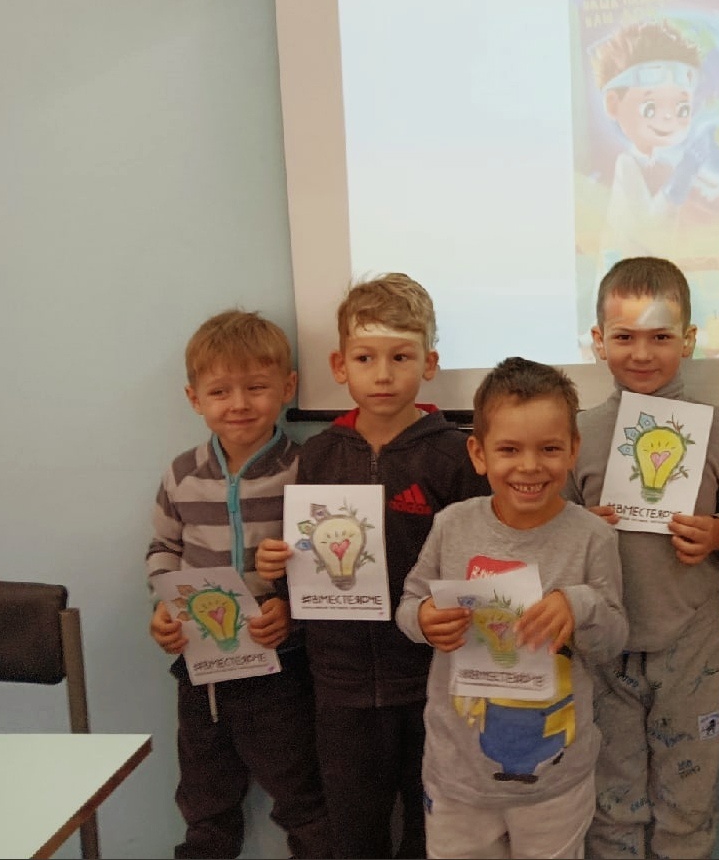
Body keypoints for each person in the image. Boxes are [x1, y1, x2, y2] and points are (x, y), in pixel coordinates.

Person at [255, 273, 489, 859]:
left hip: (432, 681)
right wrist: (277, 569)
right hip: (339, 682)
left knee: (433, 830)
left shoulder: (454, 455)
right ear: (340, 366)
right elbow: (305, 561)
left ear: (429, 363)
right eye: (365, 358)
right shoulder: (319, 455)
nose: (383, 374)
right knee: (355, 830)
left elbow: (477, 560)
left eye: (400, 357)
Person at [399, 358, 628, 859]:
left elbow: (613, 639)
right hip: (458, 776)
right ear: (478, 454)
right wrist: (424, 620)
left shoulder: (592, 536)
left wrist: (578, 605)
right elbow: (410, 604)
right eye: (509, 449)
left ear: (573, 450)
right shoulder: (451, 525)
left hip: (556, 782)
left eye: (549, 448)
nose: (529, 466)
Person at [566, 257, 719, 859]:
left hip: (691, 640)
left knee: (687, 803)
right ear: (599, 341)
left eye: (661, 337)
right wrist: (579, 530)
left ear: (688, 340)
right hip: (602, 645)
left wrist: (718, 533)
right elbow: (550, 535)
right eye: (625, 337)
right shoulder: (577, 433)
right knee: (611, 802)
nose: (642, 353)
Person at [146, 310, 332, 859]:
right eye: (220, 391)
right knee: (204, 800)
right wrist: (165, 608)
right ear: (194, 398)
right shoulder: (182, 474)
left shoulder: (306, 470)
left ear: (288, 387)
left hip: (281, 665)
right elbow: (163, 548)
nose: (239, 404)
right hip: (200, 670)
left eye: (256, 387)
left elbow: (325, 564)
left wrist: (289, 610)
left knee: (302, 796)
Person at [593, 20, 704, 270]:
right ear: (613, 103)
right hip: (627, 287)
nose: (668, 119)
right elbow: (648, 231)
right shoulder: (627, 166)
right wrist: (680, 181)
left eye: (682, 108)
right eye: (650, 108)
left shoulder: (664, 166)